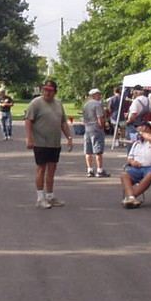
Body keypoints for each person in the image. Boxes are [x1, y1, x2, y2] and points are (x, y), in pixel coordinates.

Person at [24, 79, 73, 209]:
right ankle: (40, 198)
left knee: (52, 169)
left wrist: (69, 137)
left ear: (55, 92)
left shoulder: (58, 103)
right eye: (45, 90)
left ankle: (50, 196)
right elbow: (28, 120)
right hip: (40, 141)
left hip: (54, 142)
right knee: (41, 168)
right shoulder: (36, 103)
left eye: (50, 91)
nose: (47, 93)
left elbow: (63, 122)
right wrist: (29, 138)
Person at [120, 124, 151, 208]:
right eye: (138, 132)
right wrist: (132, 162)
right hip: (137, 168)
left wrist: (142, 132)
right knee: (124, 174)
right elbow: (129, 158)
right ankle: (131, 198)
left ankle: (131, 197)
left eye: (140, 132)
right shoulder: (136, 144)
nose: (138, 134)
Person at [82, 88, 109, 177]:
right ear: (94, 95)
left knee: (88, 151)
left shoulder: (85, 105)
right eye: (98, 94)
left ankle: (89, 169)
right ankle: (100, 170)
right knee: (98, 151)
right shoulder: (97, 104)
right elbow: (99, 117)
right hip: (96, 129)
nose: (100, 96)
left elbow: (84, 119)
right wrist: (102, 126)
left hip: (87, 129)